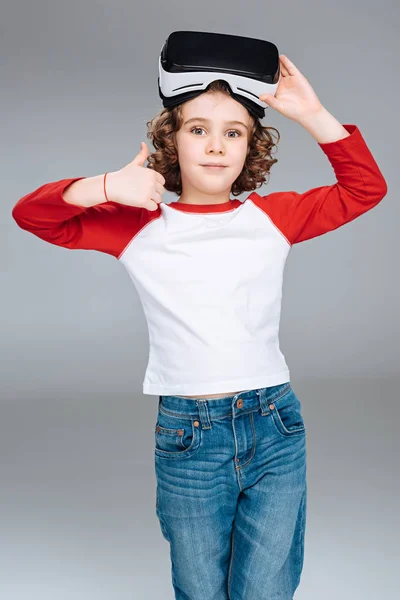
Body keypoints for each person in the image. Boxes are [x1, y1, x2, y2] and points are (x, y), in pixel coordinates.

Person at [12, 55, 387, 599]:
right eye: (198, 129)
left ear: (250, 147)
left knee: (266, 586)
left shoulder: (272, 217)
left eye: (232, 132)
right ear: (173, 141)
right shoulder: (137, 225)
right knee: (199, 586)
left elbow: (364, 190)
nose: (215, 146)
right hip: (189, 434)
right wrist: (106, 186)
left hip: (274, 424)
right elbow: (32, 215)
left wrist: (313, 113)